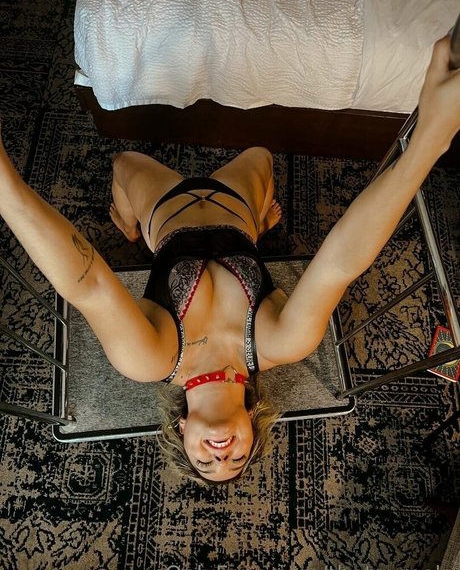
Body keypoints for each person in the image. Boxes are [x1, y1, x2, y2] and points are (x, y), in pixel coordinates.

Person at [0, 35, 459, 485]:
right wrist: (427, 144)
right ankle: (256, 226)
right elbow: (340, 262)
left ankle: (128, 226)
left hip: (166, 207)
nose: (221, 456)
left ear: (181, 430)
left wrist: (7, 191)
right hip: (234, 206)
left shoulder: (151, 359)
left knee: (122, 163)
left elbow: (89, 286)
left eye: (205, 463)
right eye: (238, 459)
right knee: (260, 154)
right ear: (253, 428)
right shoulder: (280, 342)